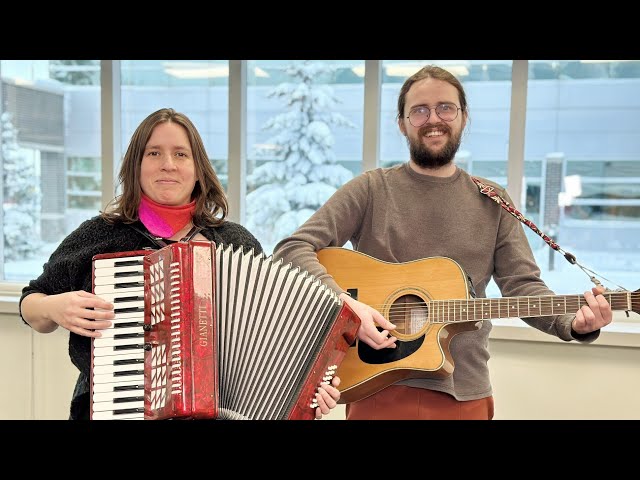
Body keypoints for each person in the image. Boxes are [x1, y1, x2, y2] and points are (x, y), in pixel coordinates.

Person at [273, 65, 613, 420]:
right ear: (402, 123)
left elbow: (523, 287)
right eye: (419, 110)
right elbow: (293, 248)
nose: (433, 119)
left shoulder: (493, 199)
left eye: (445, 108)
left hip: (464, 390)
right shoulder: (371, 189)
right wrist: (346, 303)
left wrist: (572, 323)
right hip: (378, 384)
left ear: (464, 117)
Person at [19, 107, 341, 421]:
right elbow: (32, 303)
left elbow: (277, 337)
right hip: (119, 408)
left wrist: (310, 389)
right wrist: (53, 308)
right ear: (136, 167)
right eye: (154, 153)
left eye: (181, 154)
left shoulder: (235, 242)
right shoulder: (100, 234)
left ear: (199, 169)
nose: (168, 165)